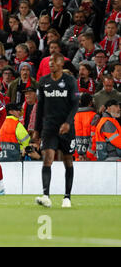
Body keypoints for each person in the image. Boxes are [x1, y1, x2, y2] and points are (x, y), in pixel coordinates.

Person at [33, 53, 80, 208]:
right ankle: (46, 195)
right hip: (49, 127)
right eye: (50, 61)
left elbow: (75, 105)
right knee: (48, 158)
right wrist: (37, 130)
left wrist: (68, 122)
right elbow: (40, 106)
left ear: (61, 63)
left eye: (54, 61)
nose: (51, 64)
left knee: (67, 160)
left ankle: (67, 197)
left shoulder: (70, 81)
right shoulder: (43, 81)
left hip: (67, 128)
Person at [74, 92, 97, 161]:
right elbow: (94, 137)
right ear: (90, 103)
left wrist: (78, 154)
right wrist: (89, 155)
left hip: (78, 156)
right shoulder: (95, 116)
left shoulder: (73, 116)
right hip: (92, 157)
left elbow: (70, 138)